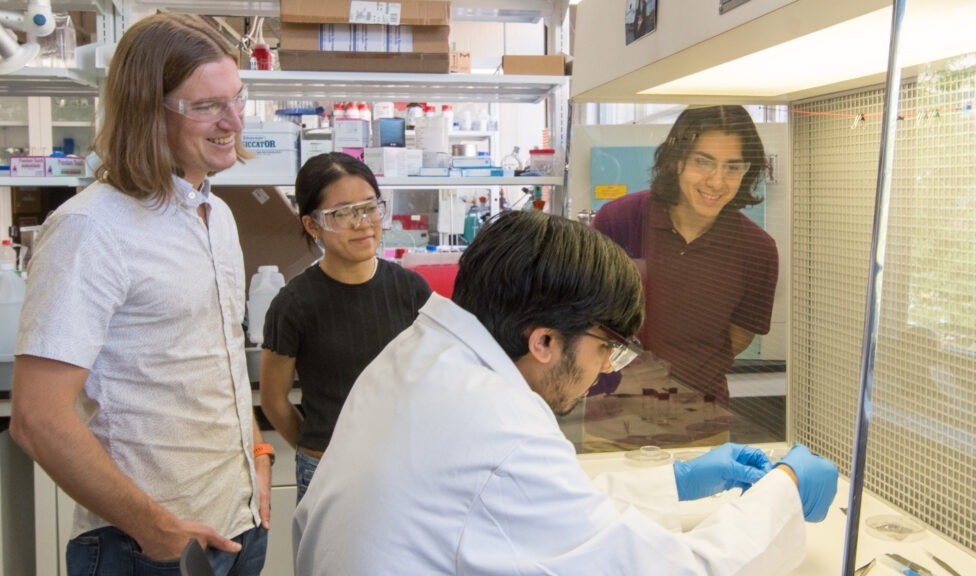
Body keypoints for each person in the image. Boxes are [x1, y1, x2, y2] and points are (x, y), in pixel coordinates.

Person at [292, 210, 838, 574]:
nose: (605, 371)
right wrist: (784, 491)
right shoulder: (499, 427)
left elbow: (535, 514)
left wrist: (676, 483)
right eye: (607, 348)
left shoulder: (419, 358)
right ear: (547, 341)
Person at [10, 13, 270, 575]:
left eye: (237, 98)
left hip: (237, 528)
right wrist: (157, 530)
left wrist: (259, 455)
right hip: (144, 549)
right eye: (206, 106)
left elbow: (217, 358)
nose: (233, 121)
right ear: (149, 113)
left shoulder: (215, 215)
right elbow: (37, 417)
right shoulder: (91, 229)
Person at [259, 152, 431, 501]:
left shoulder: (411, 289)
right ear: (312, 225)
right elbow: (273, 401)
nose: (363, 222)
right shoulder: (293, 304)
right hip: (328, 472)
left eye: (369, 207)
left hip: (403, 466)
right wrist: (319, 450)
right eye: (342, 213)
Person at [593, 105, 779, 405]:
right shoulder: (619, 220)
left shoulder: (758, 250)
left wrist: (687, 368)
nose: (717, 182)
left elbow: (738, 337)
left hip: (701, 415)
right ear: (676, 160)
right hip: (612, 408)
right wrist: (623, 369)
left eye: (733, 167)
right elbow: (581, 315)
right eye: (703, 162)